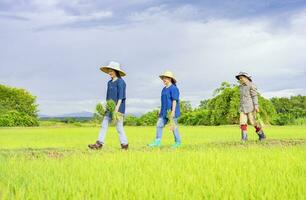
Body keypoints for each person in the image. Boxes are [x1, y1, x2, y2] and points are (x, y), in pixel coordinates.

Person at [88, 61, 129, 150]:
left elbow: (121, 97)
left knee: (119, 127)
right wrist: (106, 107)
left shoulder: (121, 82)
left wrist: (116, 110)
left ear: (116, 71)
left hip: (119, 108)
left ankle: (124, 145)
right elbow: (108, 97)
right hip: (109, 108)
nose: (109, 72)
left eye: (111, 70)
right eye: (109, 70)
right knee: (104, 125)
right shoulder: (109, 82)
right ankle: (99, 144)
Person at [148, 71, 182, 148]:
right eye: (163, 78)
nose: (163, 79)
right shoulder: (163, 89)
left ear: (170, 79)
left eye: (165, 78)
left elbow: (174, 100)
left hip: (171, 111)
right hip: (164, 111)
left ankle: (178, 143)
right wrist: (160, 110)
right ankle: (157, 142)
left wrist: (173, 111)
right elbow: (163, 101)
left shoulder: (174, 88)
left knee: (173, 127)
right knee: (159, 125)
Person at [236, 72, 266, 141]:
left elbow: (254, 96)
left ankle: (262, 136)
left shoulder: (251, 85)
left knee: (254, 122)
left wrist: (256, 106)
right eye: (239, 78)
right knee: (242, 122)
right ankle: (244, 138)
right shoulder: (241, 87)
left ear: (246, 77)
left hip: (251, 107)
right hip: (242, 107)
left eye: (241, 77)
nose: (240, 79)